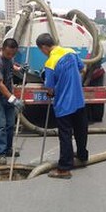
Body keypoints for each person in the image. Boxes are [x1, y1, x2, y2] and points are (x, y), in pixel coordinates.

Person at [36, 33, 89, 179]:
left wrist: (51, 92)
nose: (43, 53)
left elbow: (50, 89)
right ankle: (83, 156)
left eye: (41, 50)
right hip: (79, 101)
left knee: (65, 136)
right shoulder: (71, 52)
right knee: (81, 131)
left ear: (45, 47)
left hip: (64, 105)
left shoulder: (50, 63)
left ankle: (64, 168)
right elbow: (82, 69)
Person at [0, 38, 28, 165]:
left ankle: (8, 149)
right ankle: (0, 153)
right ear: (2, 49)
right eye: (8, 54)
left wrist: (20, 69)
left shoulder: (9, 58)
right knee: (0, 126)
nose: (10, 56)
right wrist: (13, 99)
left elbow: (12, 66)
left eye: (13, 54)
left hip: (8, 97)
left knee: (10, 125)